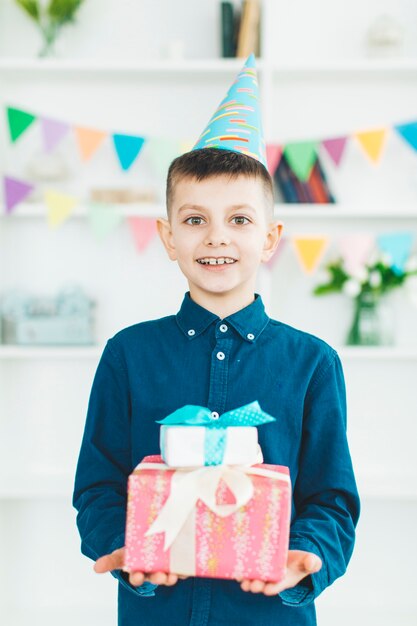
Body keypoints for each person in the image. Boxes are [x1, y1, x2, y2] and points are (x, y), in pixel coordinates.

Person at [73, 54, 360, 626]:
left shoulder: (312, 362)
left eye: (240, 219)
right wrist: (124, 548)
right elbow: (99, 484)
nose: (217, 237)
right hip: (156, 612)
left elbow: (331, 498)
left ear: (272, 236)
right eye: (196, 219)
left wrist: (308, 558)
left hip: (270, 614)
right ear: (168, 236)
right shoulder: (128, 355)